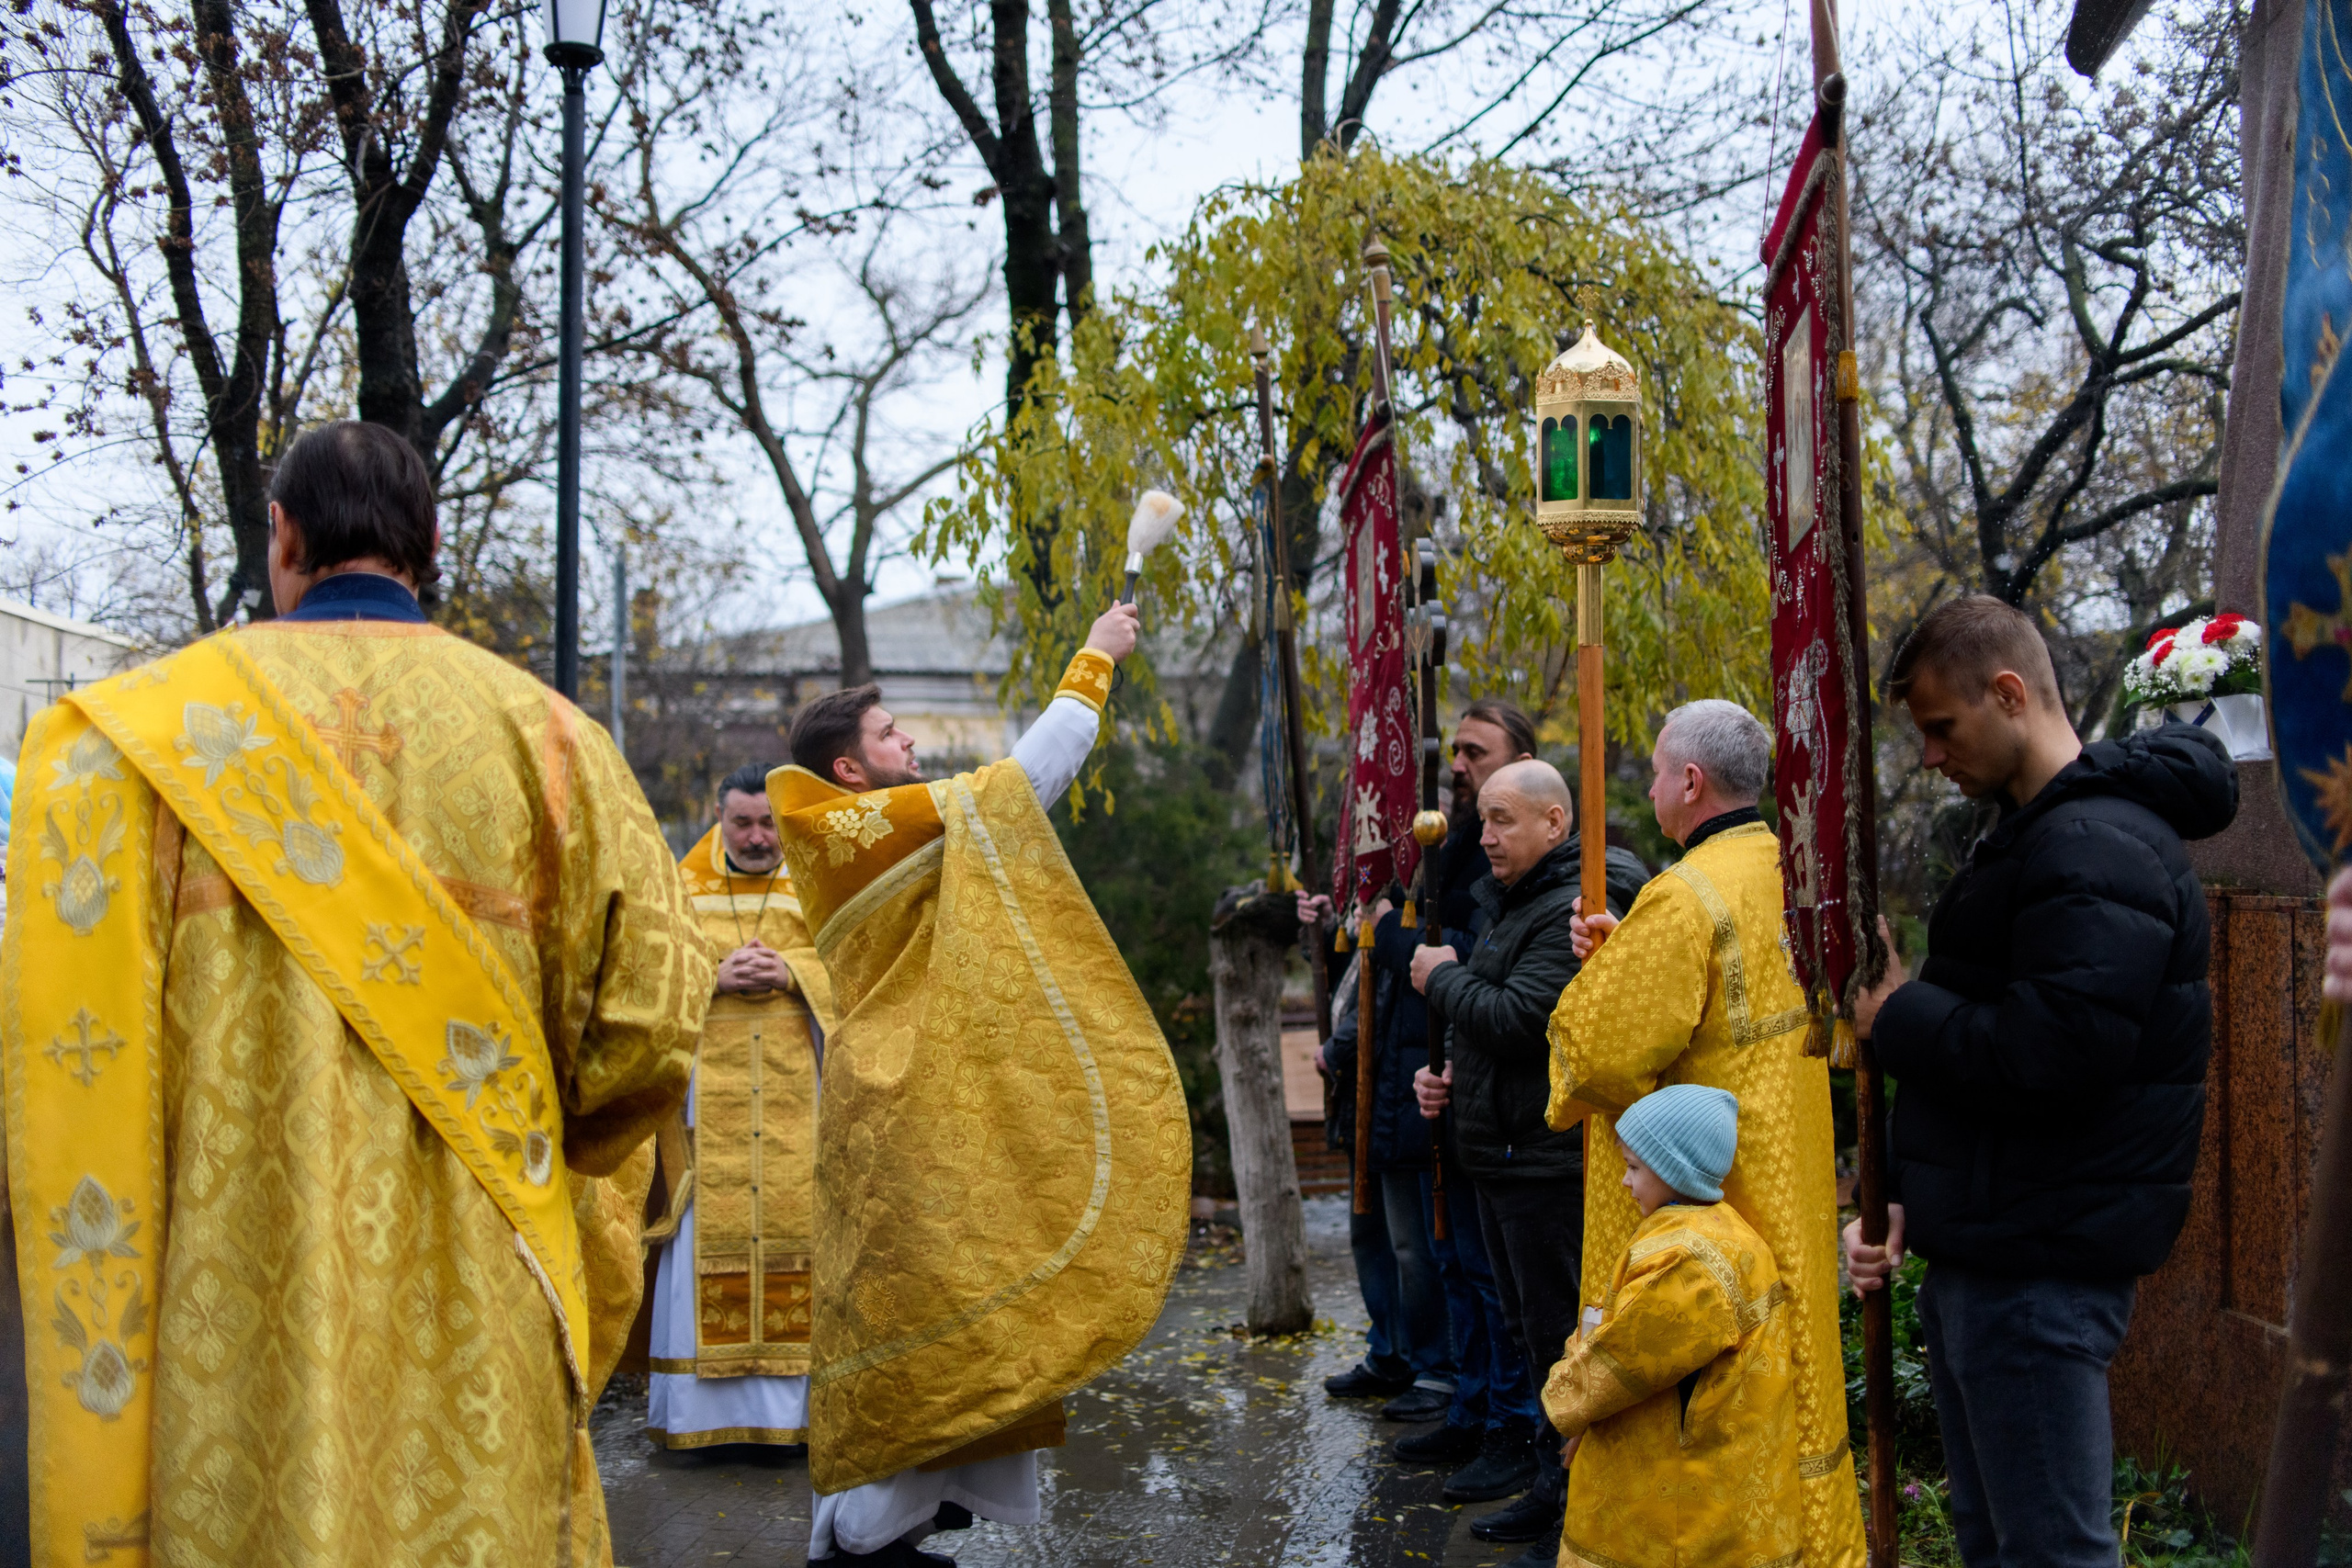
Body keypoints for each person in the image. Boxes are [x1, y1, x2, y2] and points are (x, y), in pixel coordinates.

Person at [0, 420, 710, 1563]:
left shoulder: (136, 746)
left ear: (280, 536)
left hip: (225, 1296)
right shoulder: (554, 741)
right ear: (429, 543)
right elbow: (652, 1028)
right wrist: (540, 1155)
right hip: (482, 1273)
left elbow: (67, 1048)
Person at [773, 604, 1192, 1565]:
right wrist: (1095, 659)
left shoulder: (849, 822)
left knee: (961, 1303)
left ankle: (902, 1524)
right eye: (887, 733)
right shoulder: (851, 826)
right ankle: (864, 1539)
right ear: (849, 768)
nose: (907, 740)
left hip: (912, 1098)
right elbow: (1024, 784)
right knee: (925, 1317)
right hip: (905, 1109)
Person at [1844, 595, 2233, 1568]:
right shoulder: (2041, 833)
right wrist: (1898, 1192)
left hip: (2036, 1268)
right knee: (2002, 1545)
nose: (1930, 756)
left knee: (2050, 1553)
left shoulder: (2092, 844)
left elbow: (2051, 1057)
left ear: (2008, 693)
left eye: (1941, 727)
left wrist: (1894, 1016)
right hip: (2002, 1247)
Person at [1549, 698, 1865, 1568]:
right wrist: (1631, 952)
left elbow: (1604, 1054)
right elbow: (1838, 1030)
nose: (1649, 789)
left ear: (1690, 782)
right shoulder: (1796, 874)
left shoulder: (1685, 894)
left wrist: (1606, 978)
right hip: (1790, 1169)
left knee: (1701, 1383)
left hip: (1704, 1187)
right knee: (1793, 1355)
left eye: (1654, 772)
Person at [1305, 701, 1552, 1502]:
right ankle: (1477, 1410)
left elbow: (1488, 986)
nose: (1456, 769)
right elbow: (1397, 978)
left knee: (1485, 1280)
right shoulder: (1453, 857)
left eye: (1477, 755)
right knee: (1448, 1261)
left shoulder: (1516, 882)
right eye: (1456, 756)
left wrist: (1417, 954)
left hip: (1504, 1122)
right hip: (1439, 1089)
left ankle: (1503, 1423)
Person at [1408, 758, 1647, 1564]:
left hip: (1548, 1161)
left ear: (1555, 823)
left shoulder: (1575, 905)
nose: (1486, 835)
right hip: (1500, 1150)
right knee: (1526, 1331)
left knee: (1557, 1335)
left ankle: (1577, 1499)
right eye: (1482, 818)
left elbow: (1518, 1019)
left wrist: (1441, 981)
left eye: (1504, 818)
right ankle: (1555, 1486)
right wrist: (1447, 1081)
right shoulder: (1511, 903)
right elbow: (1490, 1033)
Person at [645, 762, 840, 1451]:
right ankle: (701, 1421)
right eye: (743, 823)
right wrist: (711, 975)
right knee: (708, 1232)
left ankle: (795, 1420)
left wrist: (793, 972)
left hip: (798, 1105)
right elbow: (647, 972)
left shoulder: (817, 883)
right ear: (719, 818)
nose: (758, 837)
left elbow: (856, 972)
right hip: (711, 1110)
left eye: (768, 823)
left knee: (801, 1237)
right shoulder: (677, 885)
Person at [1543, 1084, 1802, 1568]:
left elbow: (1625, 1356)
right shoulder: (1717, 1232)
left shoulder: (1686, 1258)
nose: (1625, 1183)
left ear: (1674, 1170)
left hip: (1682, 1505)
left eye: (1635, 1168)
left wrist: (1566, 1401)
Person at [1315, 898, 1460, 1421]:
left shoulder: (1428, 900)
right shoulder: (1375, 908)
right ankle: (1392, 1352)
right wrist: (1333, 930)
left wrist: (1338, 1048)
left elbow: (1399, 987)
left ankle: (1435, 1368)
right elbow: (1355, 988)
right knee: (1376, 1237)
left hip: (1409, 1097)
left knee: (1416, 1249)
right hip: (1382, 1098)